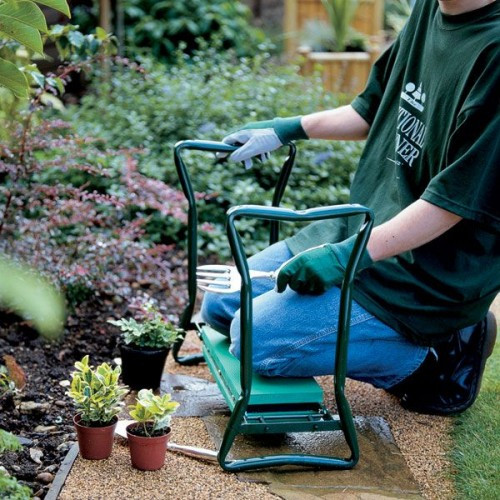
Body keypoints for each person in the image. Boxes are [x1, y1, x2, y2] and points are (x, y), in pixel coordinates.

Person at [201, 0, 499, 415]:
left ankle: (438, 358)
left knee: (253, 340)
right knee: (220, 306)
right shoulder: (431, 9)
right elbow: (370, 109)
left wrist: (346, 257)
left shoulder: (494, 51)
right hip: (366, 226)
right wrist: (285, 130)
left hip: (428, 272)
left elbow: (451, 203)